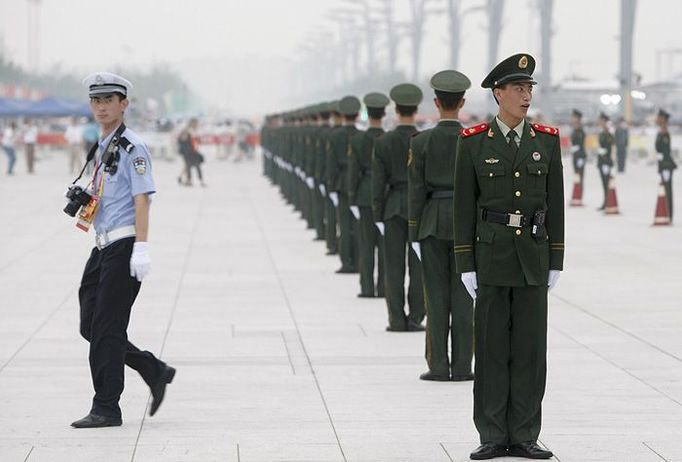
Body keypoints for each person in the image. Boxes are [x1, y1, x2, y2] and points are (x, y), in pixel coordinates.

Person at [453, 53, 564, 460]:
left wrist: (556, 259)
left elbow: (556, 205)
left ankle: (525, 433)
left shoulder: (546, 141)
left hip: (533, 256)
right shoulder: (474, 142)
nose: (525, 94)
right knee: (492, 348)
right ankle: (492, 433)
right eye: (518, 88)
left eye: (529, 87)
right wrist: (466, 263)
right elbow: (463, 207)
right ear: (498, 93)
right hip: (492, 256)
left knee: (532, 351)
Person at [70, 72, 175, 429]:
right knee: (92, 325)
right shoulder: (102, 145)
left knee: (107, 327)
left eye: (108, 101)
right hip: (102, 246)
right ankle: (152, 368)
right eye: (96, 101)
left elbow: (142, 199)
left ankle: (106, 407)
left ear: (124, 104)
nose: (101, 107)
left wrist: (141, 249)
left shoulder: (133, 147)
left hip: (125, 244)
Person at [408, 70, 474, 381]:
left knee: (435, 296)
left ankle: (437, 365)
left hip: (432, 223)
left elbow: (416, 190)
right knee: (464, 297)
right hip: (464, 226)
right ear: (462, 102)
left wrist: (414, 232)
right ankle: (462, 366)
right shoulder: (474, 142)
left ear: (436, 102)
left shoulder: (421, 143)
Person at [372, 83, 425, 332]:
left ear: (396, 109)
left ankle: (395, 318)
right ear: (415, 109)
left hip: (392, 206)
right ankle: (415, 316)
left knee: (393, 266)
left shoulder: (383, 142)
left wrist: (377, 213)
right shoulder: (423, 140)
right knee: (418, 266)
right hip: (418, 208)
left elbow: (378, 183)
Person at [348, 92, 388, 298]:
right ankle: (383, 287)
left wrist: (352, 196)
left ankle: (366, 287)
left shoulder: (358, 140)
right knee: (384, 246)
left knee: (366, 243)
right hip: (386, 195)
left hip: (364, 194)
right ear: (384, 113)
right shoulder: (388, 138)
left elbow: (353, 171)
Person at [327, 96, 361, 273]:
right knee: (358, 225)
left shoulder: (335, 136)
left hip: (341, 183)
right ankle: (357, 261)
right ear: (357, 115)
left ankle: (346, 261)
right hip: (359, 183)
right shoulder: (360, 136)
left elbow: (331, 165)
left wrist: (332, 187)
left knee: (345, 225)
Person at [655, 109, 677, 222]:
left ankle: (669, 215)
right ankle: (666, 213)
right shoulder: (661, 132)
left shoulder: (665, 133)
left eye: (659, 117)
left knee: (668, 190)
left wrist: (664, 166)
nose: (656, 119)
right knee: (664, 189)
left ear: (663, 119)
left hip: (666, 165)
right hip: (662, 164)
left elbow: (666, 152)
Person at [177, 118, 206, 187]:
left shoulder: (192, 130)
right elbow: (183, 140)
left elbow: (196, 140)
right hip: (187, 152)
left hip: (193, 151)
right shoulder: (187, 131)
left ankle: (184, 179)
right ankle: (189, 180)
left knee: (188, 166)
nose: (197, 125)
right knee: (190, 166)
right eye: (196, 123)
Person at [596, 112, 614, 211]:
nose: (599, 122)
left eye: (601, 120)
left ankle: (608, 202)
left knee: (607, 183)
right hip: (601, 162)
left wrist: (606, 160)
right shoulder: (602, 132)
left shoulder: (608, 132)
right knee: (604, 183)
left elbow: (610, 145)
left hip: (606, 161)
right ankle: (605, 202)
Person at [569, 109, 586, 205]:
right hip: (575, 155)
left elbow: (581, 143)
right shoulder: (575, 128)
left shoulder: (580, 129)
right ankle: (576, 196)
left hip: (580, 156)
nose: (571, 119)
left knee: (580, 176)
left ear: (577, 118)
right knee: (577, 176)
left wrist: (579, 154)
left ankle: (579, 197)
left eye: (573, 117)